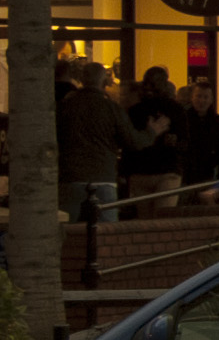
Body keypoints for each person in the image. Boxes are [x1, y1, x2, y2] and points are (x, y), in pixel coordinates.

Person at [55, 62, 146, 221]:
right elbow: (132, 141)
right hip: (103, 177)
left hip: (71, 177)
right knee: (105, 234)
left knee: (68, 233)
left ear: (82, 80)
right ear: (103, 81)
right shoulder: (110, 107)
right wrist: (152, 132)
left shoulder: (66, 106)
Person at [120, 67, 186, 213]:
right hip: (166, 168)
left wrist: (124, 171)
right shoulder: (175, 109)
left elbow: (129, 142)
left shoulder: (135, 111)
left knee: (145, 220)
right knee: (163, 217)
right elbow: (183, 139)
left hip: (141, 169)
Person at [178, 82, 219, 193]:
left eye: (205, 97)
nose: (202, 101)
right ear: (192, 98)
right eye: (198, 96)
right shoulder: (183, 119)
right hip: (187, 170)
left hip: (210, 170)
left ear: (211, 99)